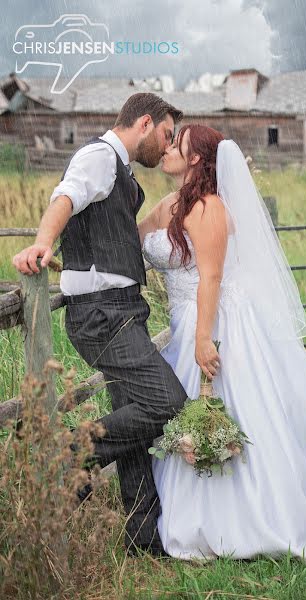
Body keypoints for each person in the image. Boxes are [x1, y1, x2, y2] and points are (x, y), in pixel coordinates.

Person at [138, 124, 306, 563]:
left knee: (227, 408)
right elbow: (135, 236)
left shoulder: (208, 208)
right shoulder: (172, 203)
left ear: (193, 158)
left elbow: (211, 276)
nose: (167, 149)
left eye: (176, 143)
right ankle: (196, 513)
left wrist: (204, 339)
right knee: (185, 413)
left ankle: (244, 520)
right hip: (184, 318)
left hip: (209, 322)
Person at [12, 93, 188, 558]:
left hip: (121, 308)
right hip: (101, 311)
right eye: (167, 135)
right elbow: (65, 196)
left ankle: (142, 537)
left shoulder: (122, 169)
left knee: (135, 424)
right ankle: (72, 454)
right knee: (168, 402)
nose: (166, 146)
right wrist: (42, 244)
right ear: (145, 122)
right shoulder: (97, 155)